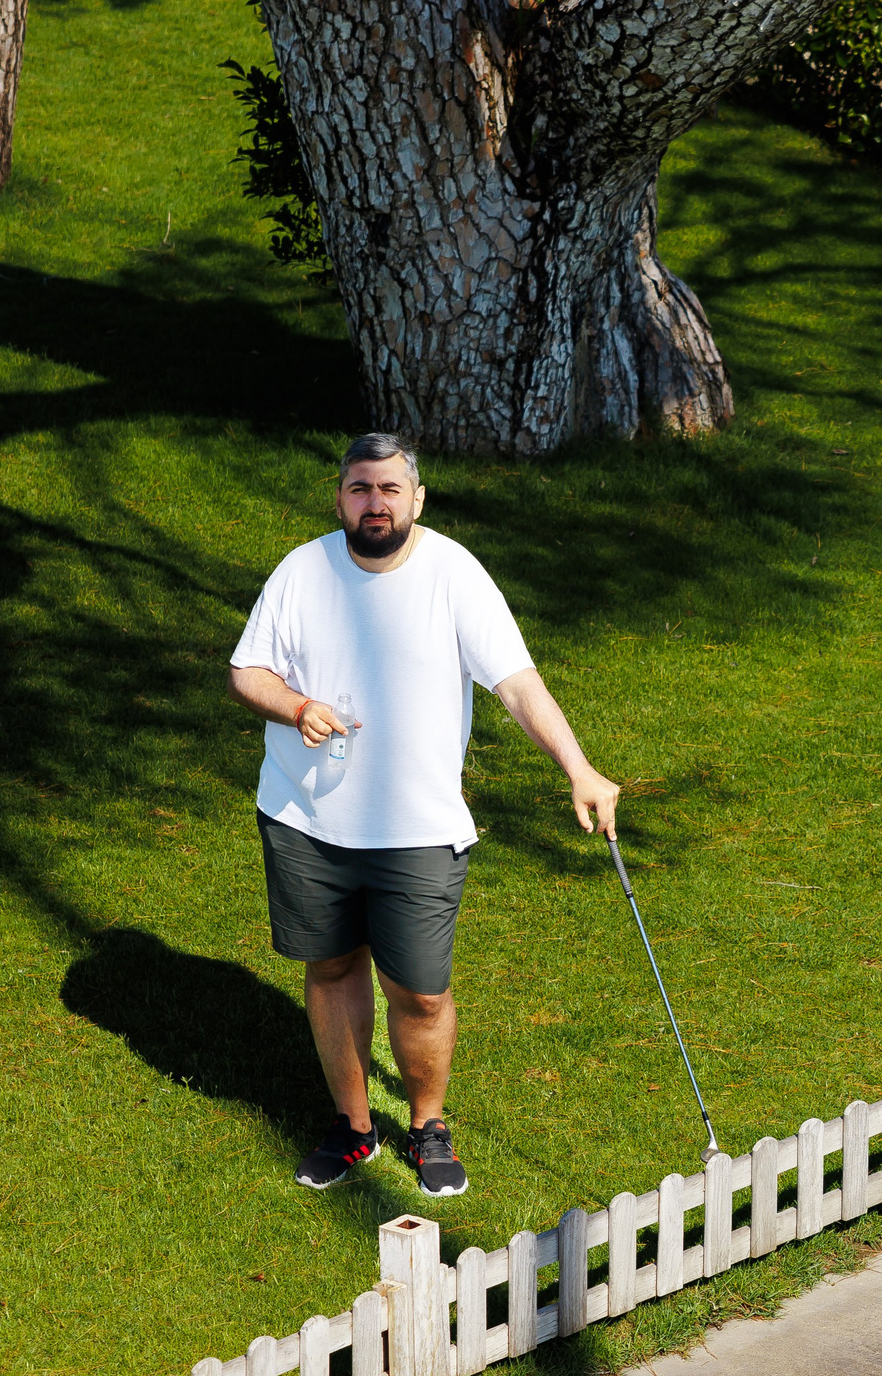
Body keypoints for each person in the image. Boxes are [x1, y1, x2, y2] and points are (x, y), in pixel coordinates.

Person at [228, 433, 621, 1198]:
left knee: (422, 991)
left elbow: (517, 684)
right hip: (306, 819)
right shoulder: (302, 571)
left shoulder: (454, 574)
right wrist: (296, 705)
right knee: (332, 967)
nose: (374, 503)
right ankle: (353, 1128)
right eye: (358, 489)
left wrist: (580, 769)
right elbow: (247, 670)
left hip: (417, 830)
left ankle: (427, 1123)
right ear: (339, 497)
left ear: (417, 498)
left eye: (389, 489)